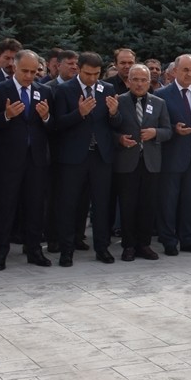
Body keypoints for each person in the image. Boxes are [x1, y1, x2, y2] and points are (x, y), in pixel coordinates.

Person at [0, 49, 53, 269]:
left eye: (34, 72)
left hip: (36, 159)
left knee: (34, 206)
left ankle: (34, 251)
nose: (29, 76)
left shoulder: (44, 91)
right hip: (6, 159)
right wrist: (6, 115)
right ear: (14, 65)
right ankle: (0, 252)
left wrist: (46, 117)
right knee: (4, 206)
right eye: (25, 71)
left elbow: (53, 127)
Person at [51, 52, 121, 266]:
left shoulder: (107, 89)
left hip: (100, 156)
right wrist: (79, 113)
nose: (92, 78)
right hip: (73, 157)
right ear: (78, 69)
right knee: (69, 204)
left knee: (101, 204)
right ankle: (66, 250)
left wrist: (114, 113)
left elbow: (115, 125)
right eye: (88, 74)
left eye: (96, 74)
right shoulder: (64, 90)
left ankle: (102, 248)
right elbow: (57, 124)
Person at [113, 63, 171, 261]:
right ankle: (128, 245)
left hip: (151, 162)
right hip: (127, 162)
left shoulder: (159, 102)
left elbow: (168, 130)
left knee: (148, 205)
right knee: (128, 206)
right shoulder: (118, 101)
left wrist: (156, 133)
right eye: (135, 80)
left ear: (149, 82)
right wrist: (119, 139)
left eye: (143, 80)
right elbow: (109, 129)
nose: (139, 84)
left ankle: (144, 244)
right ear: (128, 81)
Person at [155, 54, 191, 255]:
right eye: (185, 70)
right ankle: (169, 240)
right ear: (175, 71)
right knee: (169, 201)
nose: (189, 74)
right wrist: (173, 128)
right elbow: (157, 125)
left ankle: (189, 239)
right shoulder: (162, 95)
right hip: (172, 157)